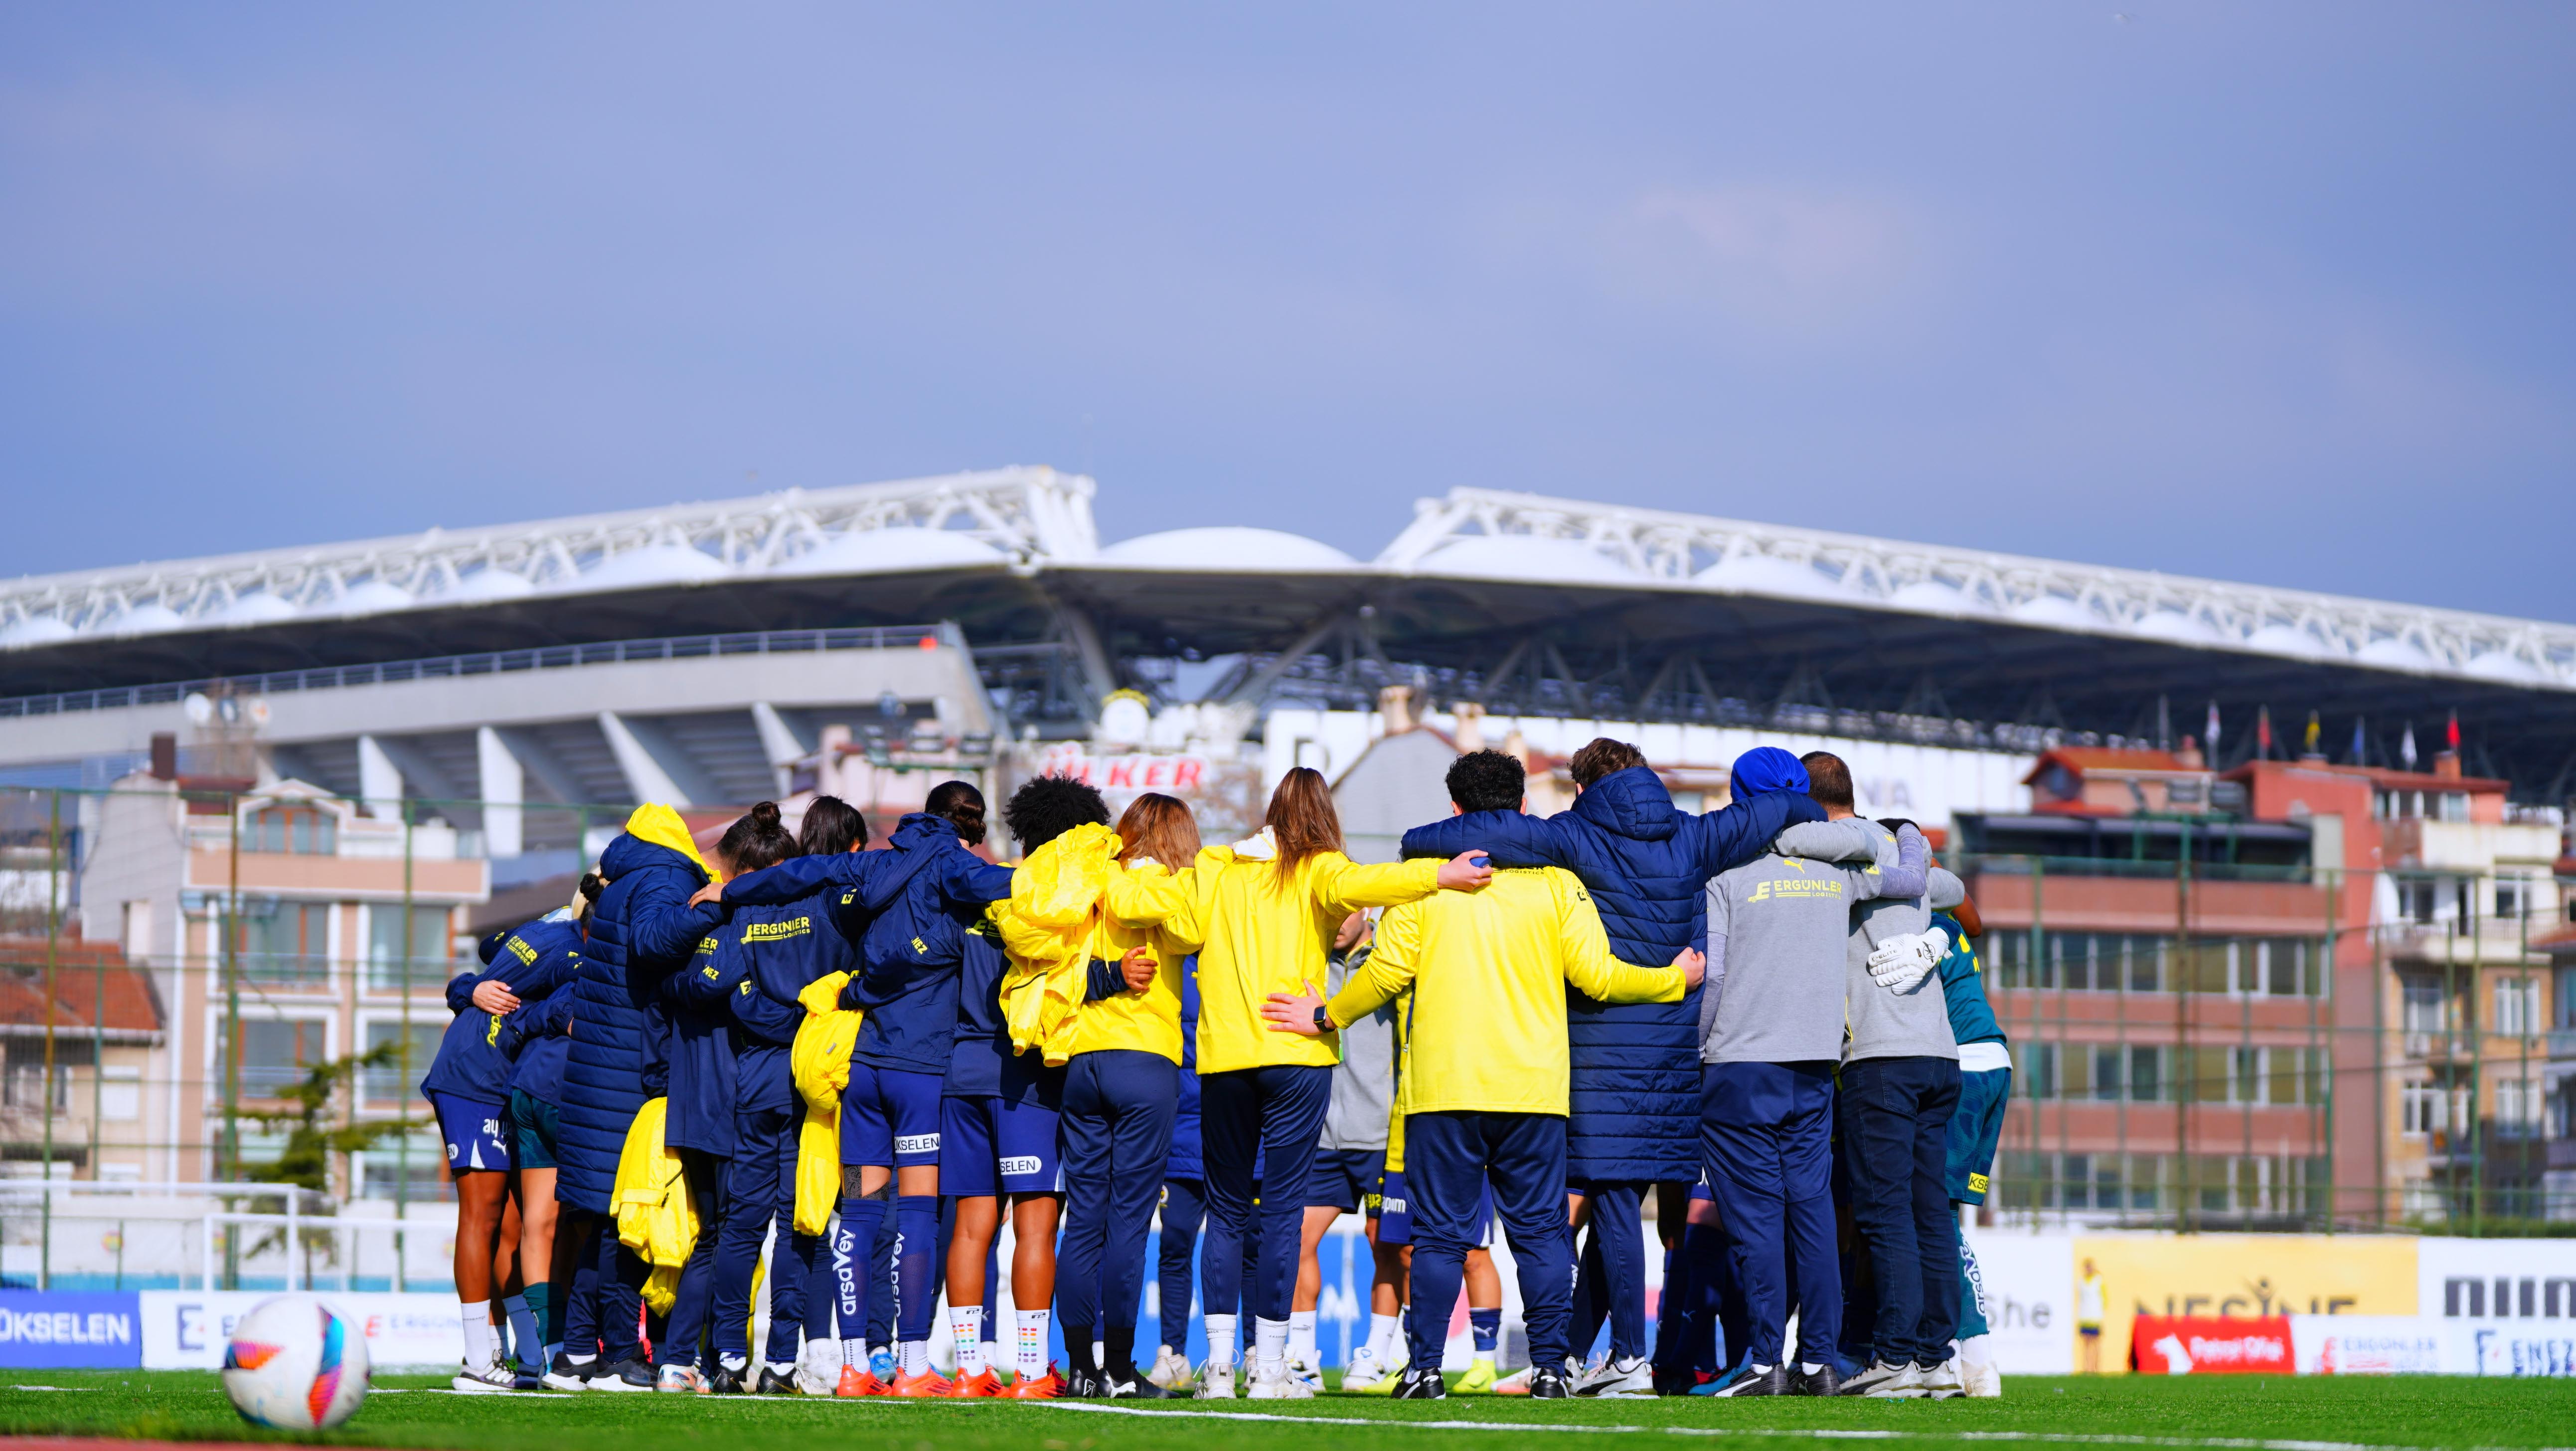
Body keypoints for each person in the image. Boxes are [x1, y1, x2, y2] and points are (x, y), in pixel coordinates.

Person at [1265, 749, 1705, 1401]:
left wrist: (1325, 1014)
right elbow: (1601, 976)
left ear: (1455, 810)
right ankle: (1554, 1367)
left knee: (1439, 1238)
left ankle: (1422, 1371)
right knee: (1540, 1234)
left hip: (1443, 1092)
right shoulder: (1557, 885)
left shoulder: (1425, 882)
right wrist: (1676, 979)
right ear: (1525, 809)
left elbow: (1385, 975)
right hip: (1535, 1092)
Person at [1396, 737, 1826, 1398]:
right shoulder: (1696, 835)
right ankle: (1626, 1353)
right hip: (1674, 1047)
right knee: (1637, 1204)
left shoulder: (1574, 835)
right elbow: (1781, 810)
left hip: (1597, 1044)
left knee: (1615, 1198)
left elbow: (1489, 830)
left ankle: (1628, 1357)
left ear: (1584, 787)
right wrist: (1814, 810)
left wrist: (1415, 842)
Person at [1175, 766, 1493, 1399]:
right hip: (1295, 1055)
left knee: (1229, 1213)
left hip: (1224, 1056)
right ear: (1322, 817)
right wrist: (1443, 873)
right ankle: (1269, 1368)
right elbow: (1370, 880)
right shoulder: (1318, 865)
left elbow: (1181, 928)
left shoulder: (1217, 865)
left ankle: (1216, 1367)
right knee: (1284, 1218)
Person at [698, 779, 1016, 1396]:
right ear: (969, 827)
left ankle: (849, 1368)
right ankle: (912, 1366)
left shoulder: (873, 861)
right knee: (918, 1215)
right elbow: (1015, 889)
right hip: (918, 1071)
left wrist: (730, 889)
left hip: (862, 1073)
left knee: (857, 1216)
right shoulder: (960, 867)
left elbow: (801, 874)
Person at [1694, 747, 1929, 1398]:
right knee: (1814, 1215)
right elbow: (1913, 880)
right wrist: (1908, 832)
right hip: (1815, 1065)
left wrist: (1696, 1048)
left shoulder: (1727, 871)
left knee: (1756, 1220)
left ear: (1743, 798)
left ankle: (1766, 1361)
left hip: (1739, 1065)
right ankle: (1820, 1361)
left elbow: (1710, 977)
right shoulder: (1840, 873)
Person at [1790, 754, 1968, 1402]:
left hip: (1879, 1059)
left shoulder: (1830, 854)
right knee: (1930, 1214)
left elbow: (1795, 841)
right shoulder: (1900, 848)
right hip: (1938, 1056)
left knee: (1885, 1214)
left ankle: (1893, 1354)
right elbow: (1951, 890)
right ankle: (1935, 1358)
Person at [554, 804, 726, 1392]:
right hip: (628, 1073)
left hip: (597, 1070)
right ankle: (623, 1354)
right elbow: (655, 942)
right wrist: (709, 908)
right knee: (627, 1218)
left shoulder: (625, 875)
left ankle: (577, 1352)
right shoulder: (666, 876)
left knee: (601, 1218)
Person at [1047, 788, 1202, 1398]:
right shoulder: (1170, 887)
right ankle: (1117, 1366)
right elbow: (1192, 934)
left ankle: (1080, 1365)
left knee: (1082, 1218)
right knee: (1129, 1221)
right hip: (1145, 1059)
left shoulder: (1090, 878)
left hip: (1083, 1057)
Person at [937, 778, 1086, 1400]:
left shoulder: (969, 895)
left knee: (971, 1226)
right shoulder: (1057, 899)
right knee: (1034, 1226)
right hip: (1024, 1077)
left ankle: (971, 1370)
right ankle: (1029, 1370)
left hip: (957, 1072)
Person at [657, 802, 801, 1392]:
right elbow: (706, 984)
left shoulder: (713, 911)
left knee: (716, 1233)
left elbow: (686, 982)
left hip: (703, 1094)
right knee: (728, 1232)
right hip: (728, 1096)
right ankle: (705, 1359)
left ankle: (695, 1358)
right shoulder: (739, 916)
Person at [423, 920, 561, 1391]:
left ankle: (526, 1356)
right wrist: (471, 988)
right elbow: (484, 962)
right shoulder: (569, 943)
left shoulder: (556, 927)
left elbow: (489, 950)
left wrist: (469, 986)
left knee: (508, 1226)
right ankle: (479, 1361)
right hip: (473, 1082)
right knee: (481, 1218)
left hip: (504, 1086)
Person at [1300, 910, 1405, 1394]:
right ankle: (1300, 1357)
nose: (1334, 922)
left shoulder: (1391, 957)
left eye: (1343, 911)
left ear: (1366, 910)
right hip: (1320, 1132)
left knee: (1386, 1243)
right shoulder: (1307, 956)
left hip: (1381, 1130)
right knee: (1297, 1237)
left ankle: (1379, 1355)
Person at [1931, 894, 2007, 1400]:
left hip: (1964, 1063)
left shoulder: (1908, 921)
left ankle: (1973, 1354)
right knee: (1942, 1213)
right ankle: (1966, 1354)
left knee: (1932, 1213)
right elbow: (1974, 917)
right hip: (1994, 1059)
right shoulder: (1946, 919)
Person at [2078, 1260, 2105, 1374]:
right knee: (2086, 1344)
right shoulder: (2081, 1282)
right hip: (2084, 1316)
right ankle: (2087, 1368)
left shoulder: (2099, 1280)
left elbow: (2105, 1299)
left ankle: (2096, 1367)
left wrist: (2101, 1314)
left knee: (2096, 1344)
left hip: (2095, 1317)